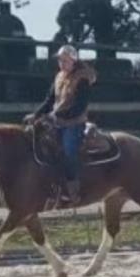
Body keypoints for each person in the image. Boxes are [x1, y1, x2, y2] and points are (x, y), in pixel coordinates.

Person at [25, 44, 96, 204]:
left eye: (65, 60)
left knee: (69, 150)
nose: (62, 63)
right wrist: (36, 114)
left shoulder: (82, 79)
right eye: (60, 60)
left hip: (74, 122)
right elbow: (50, 100)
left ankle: (73, 190)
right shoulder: (59, 77)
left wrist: (56, 115)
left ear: (73, 61)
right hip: (56, 120)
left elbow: (79, 107)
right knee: (37, 142)